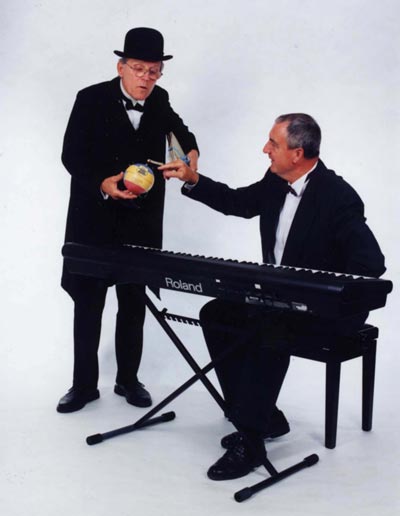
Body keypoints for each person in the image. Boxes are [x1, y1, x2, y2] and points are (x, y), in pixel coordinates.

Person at [159, 113, 386, 480]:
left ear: (297, 154)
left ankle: (250, 443)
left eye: (273, 144)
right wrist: (192, 178)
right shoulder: (276, 181)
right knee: (217, 314)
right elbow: (238, 203)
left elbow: (371, 264)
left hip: (327, 312)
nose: (265, 149)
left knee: (270, 329)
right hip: (280, 299)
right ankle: (264, 418)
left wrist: (318, 291)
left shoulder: (338, 198)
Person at [58, 27, 199, 413]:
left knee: (134, 303)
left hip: (141, 223)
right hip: (94, 219)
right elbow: (71, 155)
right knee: (88, 305)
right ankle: (83, 386)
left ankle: (128, 380)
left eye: (154, 71)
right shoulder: (89, 98)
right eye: (138, 69)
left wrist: (189, 158)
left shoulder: (160, 99)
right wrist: (102, 182)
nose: (146, 78)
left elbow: (182, 134)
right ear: (121, 67)